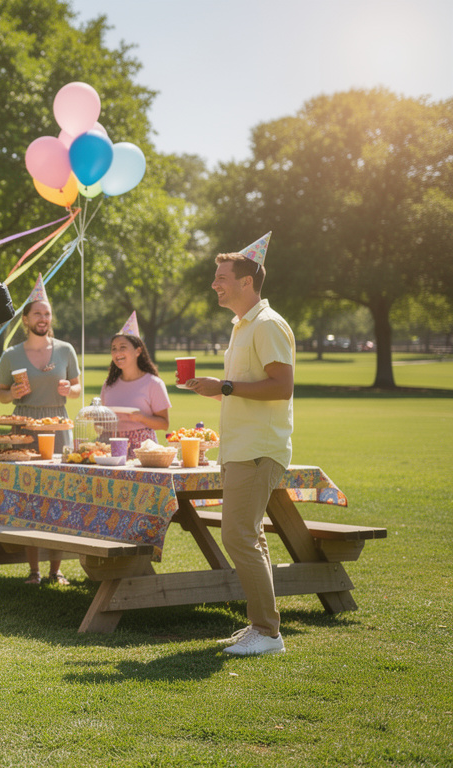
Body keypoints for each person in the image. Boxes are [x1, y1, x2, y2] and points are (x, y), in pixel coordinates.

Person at [186, 232, 294, 657]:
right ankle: (261, 626)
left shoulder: (267, 325)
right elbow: (248, 389)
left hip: (257, 449)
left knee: (237, 536)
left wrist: (225, 385)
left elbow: (281, 387)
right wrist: (215, 390)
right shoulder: (242, 326)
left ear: (247, 282)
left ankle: (268, 634)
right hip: (239, 448)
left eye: (222, 277)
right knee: (250, 536)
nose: (216, 284)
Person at [0, 276, 80, 585]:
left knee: (60, 495)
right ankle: (33, 570)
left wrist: (69, 389)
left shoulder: (65, 350)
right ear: (26, 320)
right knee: (29, 496)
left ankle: (56, 570)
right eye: (37, 314)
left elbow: (78, 386)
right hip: (24, 428)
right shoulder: (11, 355)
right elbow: (1, 393)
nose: (43, 319)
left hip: (58, 425)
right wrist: (13, 395)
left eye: (47, 314)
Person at [99, 312, 170, 446]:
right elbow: (104, 421)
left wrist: (142, 417)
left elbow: (164, 423)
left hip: (142, 447)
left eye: (122, 348)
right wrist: (97, 419)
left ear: (138, 351)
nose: (117, 353)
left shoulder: (153, 384)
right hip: (110, 444)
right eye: (113, 349)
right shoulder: (108, 384)